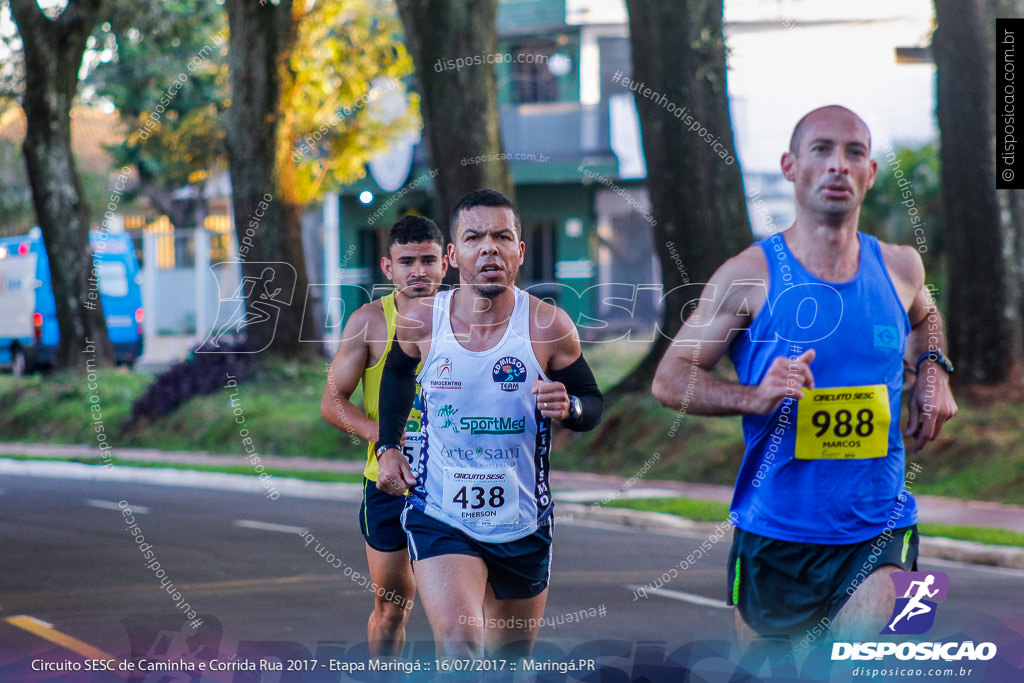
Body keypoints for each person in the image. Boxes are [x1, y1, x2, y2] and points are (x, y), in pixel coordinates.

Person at [651, 106, 958, 648]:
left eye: (854, 153)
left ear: (869, 174)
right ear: (791, 166)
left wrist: (934, 370)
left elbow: (926, 318)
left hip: (877, 527)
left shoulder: (900, 267)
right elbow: (670, 379)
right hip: (775, 533)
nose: (838, 165)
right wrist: (753, 396)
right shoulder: (749, 275)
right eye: (822, 150)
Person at [374, 189, 603, 658]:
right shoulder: (421, 321)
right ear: (455, 255)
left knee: (506, 664)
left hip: (522, 521)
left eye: (502, 236)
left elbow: (591, 403)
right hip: (441, 514)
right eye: (475, 237)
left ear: (519, 251)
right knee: (460, 649)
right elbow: (397, 372)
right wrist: (389, 446)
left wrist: (570, 408)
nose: (489, 248)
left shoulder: (547, 326)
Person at [320, 215, 447, 656]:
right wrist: (380, 433)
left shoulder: (467, 317)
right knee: (393, 608)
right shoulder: (369, 321)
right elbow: (332, 400)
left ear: (446, 263)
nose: (419, 271)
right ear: (387, 267)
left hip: (455, 484)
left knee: (459, 611)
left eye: (428, 260)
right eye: (406, 261)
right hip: (389, 484)